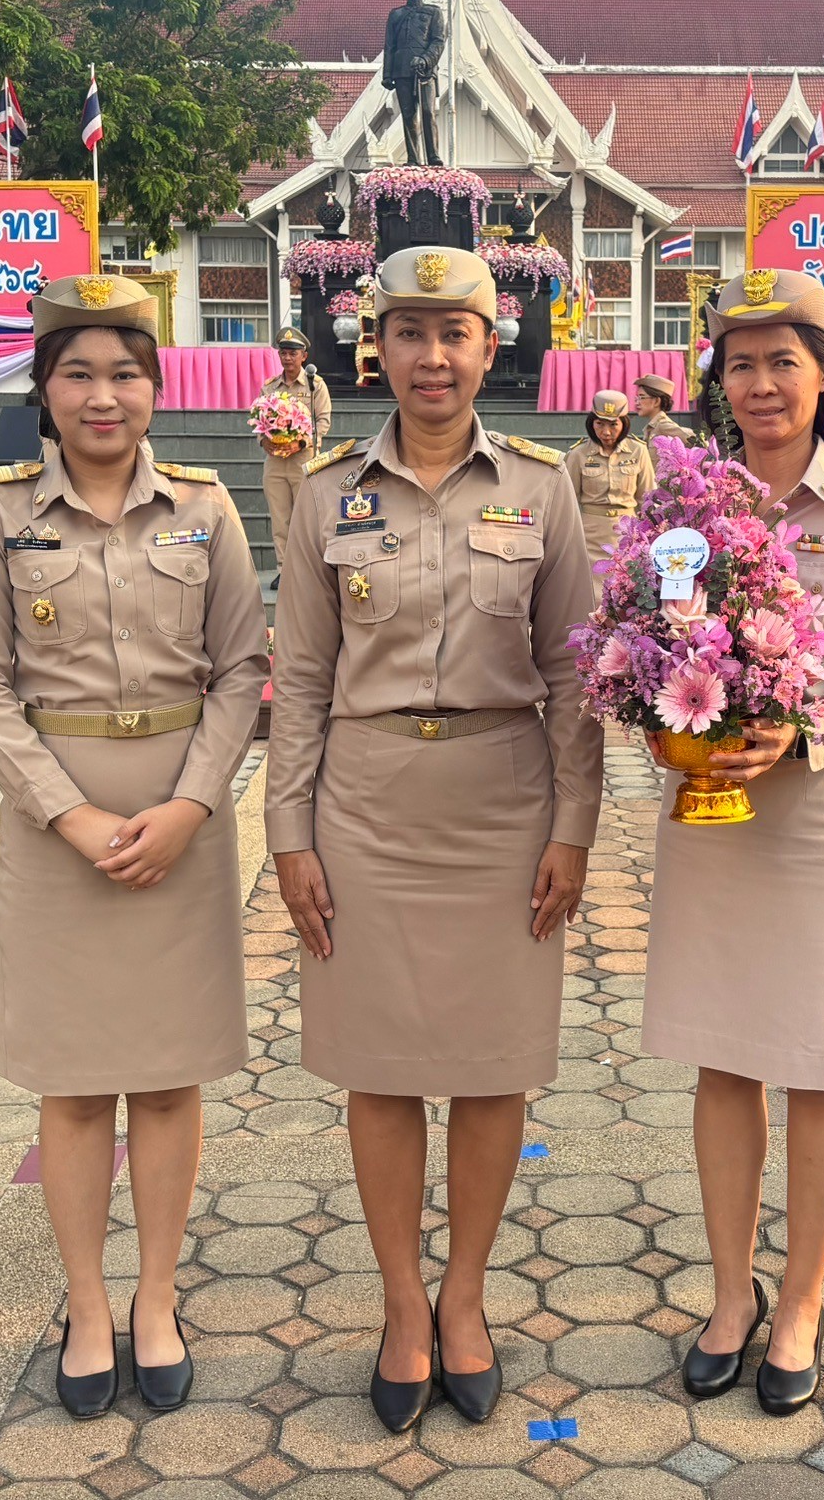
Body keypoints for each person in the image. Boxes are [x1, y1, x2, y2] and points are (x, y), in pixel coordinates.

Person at [269, 246, 602, 1434]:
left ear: (489, 343)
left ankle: (468, 1296)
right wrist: (288, 832)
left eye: (453, 333)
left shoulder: (543, 484)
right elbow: (299, 678)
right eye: (408, 332)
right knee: (382, 1063)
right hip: (365, 807)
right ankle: (403, 1306)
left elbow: (572, 672)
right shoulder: (323, 493)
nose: (432, 356)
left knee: (494, 1060)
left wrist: (575, 824)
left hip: (505, 803)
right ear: (379, 347)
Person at [0, 273, 265, 1421]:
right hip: (57, 818)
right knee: (77, 1082)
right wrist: (70, 815)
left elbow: (241, 670)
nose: (103, 393)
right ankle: (87, 1301)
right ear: (45, 387)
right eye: (78, 371)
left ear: (154, 387)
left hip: (182, 811)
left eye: (125, 372)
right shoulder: (0, 509)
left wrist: (189, 805)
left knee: (170, 1074)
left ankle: (159, 1295)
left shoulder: (205, 504)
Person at [643, 268, 824, 1415]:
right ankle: (729, 1293)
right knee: (724, 1053)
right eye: (741, 363)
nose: (762, 384)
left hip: (819, 819)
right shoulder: (688, 506)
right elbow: (646, 630)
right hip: (712, 816)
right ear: (718, 379)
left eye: (784, 361)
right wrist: (659, 707)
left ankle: (801, 1298)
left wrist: (802, 733)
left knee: (821, 1059)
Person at [256, 327, 331, 571]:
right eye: (283, 353)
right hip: (275, 462)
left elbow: (323, 421)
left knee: (305, 519)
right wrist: (263, 440)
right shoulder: (270, 387)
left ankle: (306, 570)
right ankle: (283, 570)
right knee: (280, 520)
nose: (287, 358)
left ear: (304, 356)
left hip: (303, 459)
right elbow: (259, 420)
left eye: (293, 353)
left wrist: (303, 442)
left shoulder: (314, 385)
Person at [563, 388, 656, 563]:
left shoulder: (638, 450)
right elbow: (567, 499)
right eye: (600, 423)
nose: (606, 432)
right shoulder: (578, 453)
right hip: (589, 534)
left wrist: (649, 532)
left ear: (624, 423)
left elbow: (647, 497)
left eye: (613, 424)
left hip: (628, 532)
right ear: (591, 423)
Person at [632, 374, 689, 445]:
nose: (637, 403)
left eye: (642, 397)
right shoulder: (653, 427)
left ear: (656, 401)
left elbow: (698, 440)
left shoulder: (663, 426)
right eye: (637, 398)